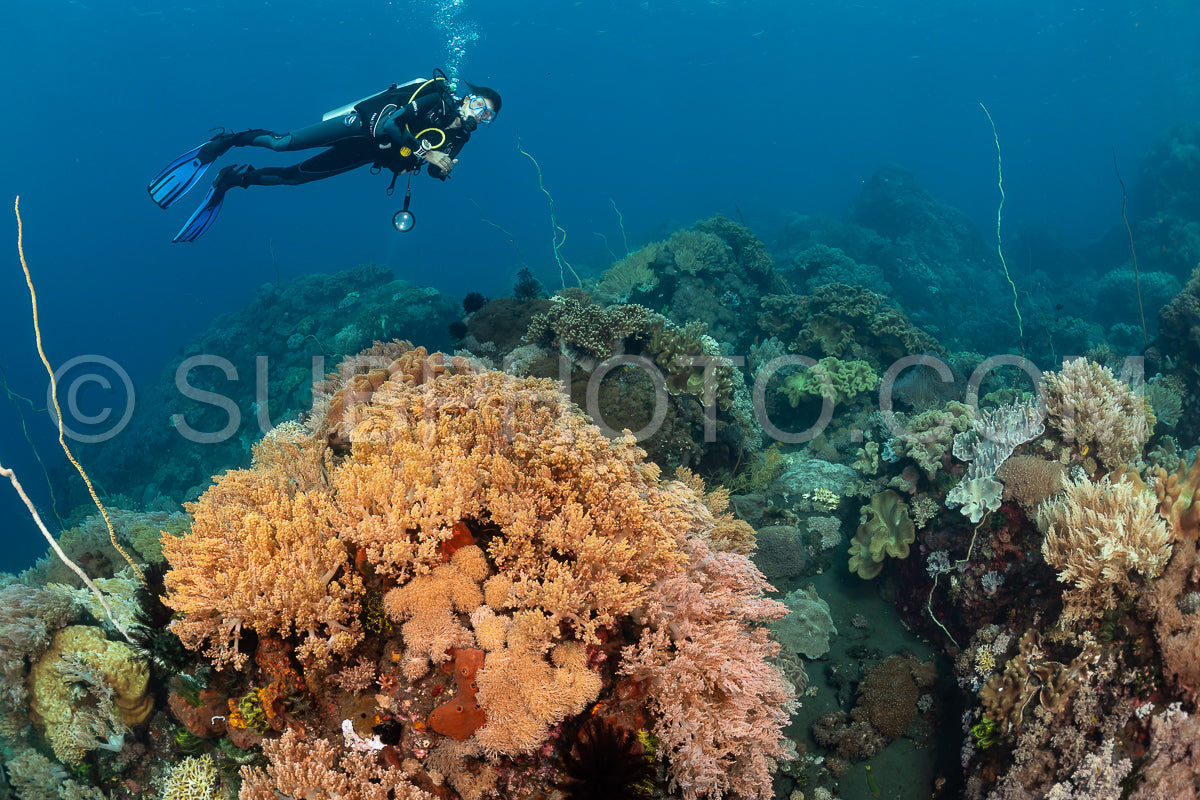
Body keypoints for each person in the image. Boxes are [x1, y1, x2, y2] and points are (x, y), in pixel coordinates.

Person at [148, 71, 500, 242]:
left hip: (367, 153)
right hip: (358, 126)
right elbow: (393, 125)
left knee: (295, 177)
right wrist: (426, 152)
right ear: (469, 97)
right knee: (283, 144)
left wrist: (443, 167)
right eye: (479, 105)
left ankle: (232, 180)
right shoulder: (436, 98)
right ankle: (229, 141)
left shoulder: (459, 136)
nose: (479, 115)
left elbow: (422, 162)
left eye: (487, 117)